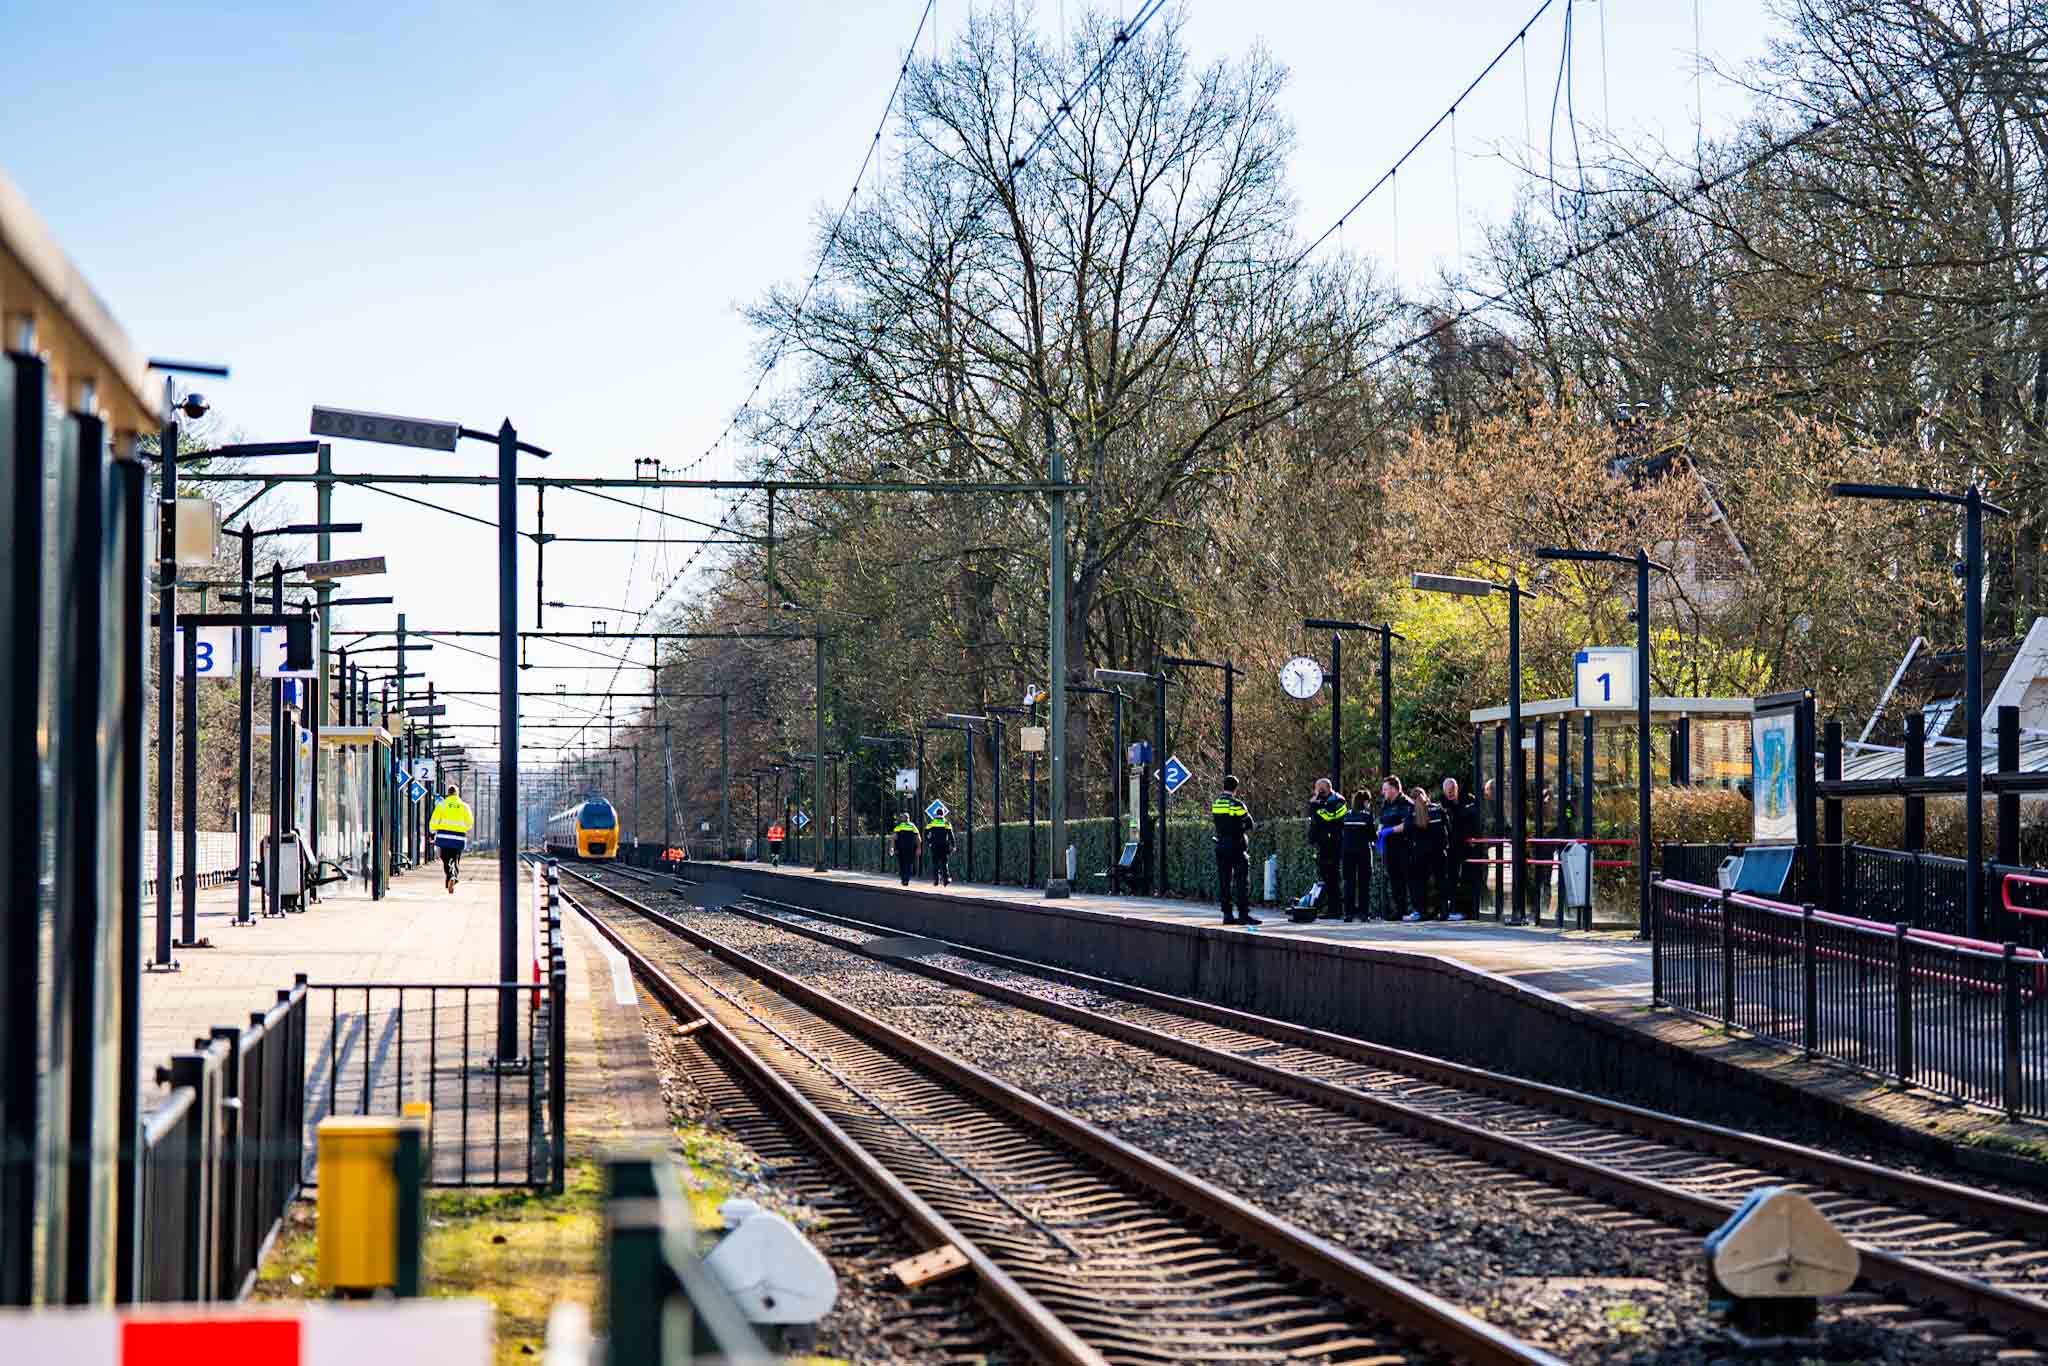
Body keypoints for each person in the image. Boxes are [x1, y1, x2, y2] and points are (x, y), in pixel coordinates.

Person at [1210, 776, 1260, 926]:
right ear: (1236, 788)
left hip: (1221, 846)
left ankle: (1227, 915)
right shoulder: (1237, 804)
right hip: (1236, 847)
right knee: (1241, 882)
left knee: (1224, 881)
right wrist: (1241, 827)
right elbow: (1249, 823)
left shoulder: (1216, 804)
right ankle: (1243, 914)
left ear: (1223, 786)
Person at [1305, 778, 1348, 919]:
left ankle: (1336, 910)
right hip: (1323, 845)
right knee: (1325, 877)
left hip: (1333, 845)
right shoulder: (1320, 802)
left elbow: (1330, 817)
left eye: (1317, 789)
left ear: (1323, 789)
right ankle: (1330, 908)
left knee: (1332, 877)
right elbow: (1314, 819)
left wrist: (1316, 806)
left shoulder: (1338, 801)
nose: (1315, 792)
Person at [1441, 776, 1481, 922]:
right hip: (1452, 847)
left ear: (1456, 788)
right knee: (1452, 879)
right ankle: (1452, 909)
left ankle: (1468, 909)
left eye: (1452, 790)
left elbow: (1474, 819)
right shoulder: (1443, 803)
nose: (1450, 794)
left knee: (1468, 878)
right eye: (1447, 791)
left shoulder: (1469, 800)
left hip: (1468, 846)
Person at [1402, 785, 1444, 922]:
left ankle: (1421, 912)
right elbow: (1447, 828)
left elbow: (1406, 832)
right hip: (1438, 851)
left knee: (1419, 884)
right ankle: (1442, 911)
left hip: (1419, 853)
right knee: (1440, 882)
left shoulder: (1411, 812)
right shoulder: (1437, 809)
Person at [427, 782, 474, 894]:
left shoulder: (442, 805)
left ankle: (450, 876)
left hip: (444, 837)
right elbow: (469, 823)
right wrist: (462, 829)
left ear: (448, 793)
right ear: (457, 793)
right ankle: (454, 877)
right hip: (459, 838)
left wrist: (432, 833)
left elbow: (434, 820)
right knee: (456, 859)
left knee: (445, 859)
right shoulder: (464, 806)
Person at [1375, 777, 1412, 918]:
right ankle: (1399, 910)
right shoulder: (1386, 804)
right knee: (1394, 879)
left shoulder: (1405, 803)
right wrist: (1379, 833)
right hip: (1389, 847)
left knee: (1406, 878)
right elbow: (1382, 821)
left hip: (1403, 846)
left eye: (1385, 789)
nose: (1383, 792)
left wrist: (1390, 830)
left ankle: (1412, 910)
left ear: (1394, 789)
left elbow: (1407, 824)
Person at [1340, 788, 1375, 922]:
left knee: (1348, 882)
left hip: (1347, 852)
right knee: (1363, 883)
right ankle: (1363, 913)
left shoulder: (1347, 815)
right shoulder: (1367, 816)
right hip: (1363, 852)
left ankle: (1348, 913)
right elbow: (1372, 836)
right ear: (1365, 802)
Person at [924, 806, 954, 886]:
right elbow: (951, 835)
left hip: (934, 845)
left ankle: (936, 880)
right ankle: (946, 880)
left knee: (935, 863)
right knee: (944, 862)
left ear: (936, 814)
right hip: (944, 845)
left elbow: (925, 833)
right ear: (943, 814)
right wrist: (953, 845)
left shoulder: (932, 823)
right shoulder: (946, 823)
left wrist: (929, 842)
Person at [891, 811, 920, 886]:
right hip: (911, 848)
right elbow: (918, 838)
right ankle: (906, 879)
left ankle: (904, 879)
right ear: (909, 819)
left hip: (901, 849)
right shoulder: (913, 827)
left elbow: (894, 837)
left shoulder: (899, 827)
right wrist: (918, 848)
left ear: (902, 819)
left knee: (902, 863)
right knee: (909, 863)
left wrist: (892, 848)